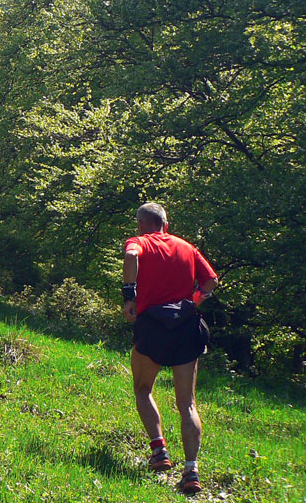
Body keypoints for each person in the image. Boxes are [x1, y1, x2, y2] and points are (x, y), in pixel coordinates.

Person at [122, 202, 218, 495]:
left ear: (141, 224)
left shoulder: (138, 242)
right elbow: (211, 281)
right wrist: (195, 299)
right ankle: (191, 471)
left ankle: (159, 451)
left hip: (153, 326)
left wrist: (129, 296)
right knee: (187, 403)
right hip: (186, 327)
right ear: (166, 224)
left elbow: (131, 255)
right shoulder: (187, 247)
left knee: (143, 389)